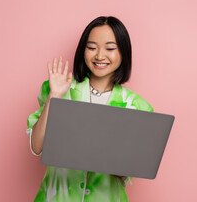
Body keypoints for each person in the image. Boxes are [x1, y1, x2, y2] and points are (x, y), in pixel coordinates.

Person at [26, 16, 154, 202]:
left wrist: (107, 153)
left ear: (123, 53)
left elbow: (127, 172)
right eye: (92, 47)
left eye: (110, 48)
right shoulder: (59, 90)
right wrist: (55, 96)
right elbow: (36, 147)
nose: (100, 56)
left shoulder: (137, 107)